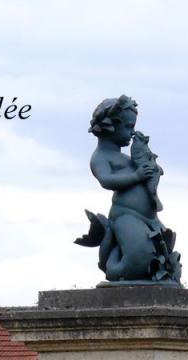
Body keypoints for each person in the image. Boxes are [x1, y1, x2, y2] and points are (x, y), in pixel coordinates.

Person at [74, 95, 181, 283]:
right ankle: (113, 267)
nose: (133, 132)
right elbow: (106, 180)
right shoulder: (100, 157)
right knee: (140, 257)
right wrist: (137, 176)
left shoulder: (125, 158)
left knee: (163, 252)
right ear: (110, 127)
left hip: (150, 218)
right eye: (128, 127)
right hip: (126, 216)